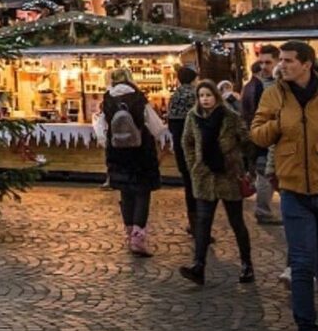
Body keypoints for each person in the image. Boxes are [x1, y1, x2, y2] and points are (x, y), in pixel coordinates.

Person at [251, 40, 318, 331]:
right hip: (293, 191)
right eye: (283, 61)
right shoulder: (273, 94)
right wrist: (278, 124)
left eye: (290, 61)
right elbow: (257, 135)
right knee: (302, 265)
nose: (283, 66)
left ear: (307, 64)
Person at [178, 80, 254, 286]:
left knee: (236, 222)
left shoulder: (230, 117)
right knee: (202, 223)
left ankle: (247, 264)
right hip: (204, 176)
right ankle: (198, 266)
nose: (205, 99)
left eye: (208, 95)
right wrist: (194, 164)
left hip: (229, 175)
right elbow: (187, 142)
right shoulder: (193, 117)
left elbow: (246, 142)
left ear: (216, 96)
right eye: (201, 95)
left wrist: (245, 166)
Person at [92, 67, 165, 256]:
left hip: (117, 153)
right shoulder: (139, 98)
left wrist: (108, 141)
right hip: (141, 152)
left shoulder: (107, 99)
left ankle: (129, 234)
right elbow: (156, 127)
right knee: (142, 192)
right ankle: (138, 239)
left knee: (126, 194)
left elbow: (100, 129)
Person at [241, 46, 280, 224]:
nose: (264, 66)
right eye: (261, 62)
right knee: (265, 173)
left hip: (269, 140)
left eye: (268, 62)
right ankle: (263, 210)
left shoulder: (258, 85)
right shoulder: (259, 86)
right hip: (265, 139)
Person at [166, 65, 199, 236]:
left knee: (188, 184)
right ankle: (201, 225)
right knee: (200, 185)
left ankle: (193, 223)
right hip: (195, 146)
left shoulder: (174, 95)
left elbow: (170, 122)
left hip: (180, 146)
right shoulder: (196, 94)